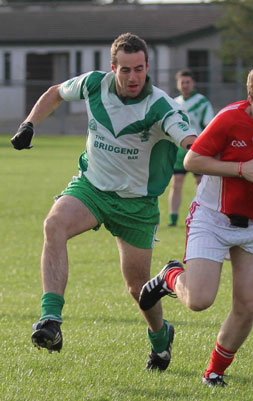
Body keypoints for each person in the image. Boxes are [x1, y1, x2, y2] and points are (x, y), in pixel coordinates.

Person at [10, 33, 198, 370]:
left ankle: (160, 337)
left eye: (139, 69)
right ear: (113, 68)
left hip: (136, 205)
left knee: (137, 287)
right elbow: (55, 93)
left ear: (147, 67)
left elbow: (186, 137)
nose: (133, 77)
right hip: (92, 189)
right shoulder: (94, 84)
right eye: (125, 70)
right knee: (54, 223)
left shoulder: (161, 104)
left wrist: (203, 151)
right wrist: (29, 124)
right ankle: (50, 320)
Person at [139, 59, 253, 386]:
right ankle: (170, 276)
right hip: (213, 217)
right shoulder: (229, 119)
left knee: (247, 305)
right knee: (199, 300)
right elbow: (192, 159)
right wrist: (242, 169)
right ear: (251, 99)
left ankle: (214, 372)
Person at [168, 69, 215, 227]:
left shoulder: (202, 102)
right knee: (176, 182)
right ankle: (173, 219)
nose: (185, 85)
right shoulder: (174, 103)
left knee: (200, 183)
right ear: (178, 84)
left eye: (188, 82)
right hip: (179, 150)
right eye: (182, 82)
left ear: (193, 83)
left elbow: (208, 126)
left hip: (197, 148)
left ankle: (201, 217)